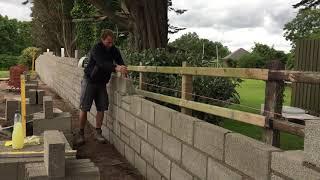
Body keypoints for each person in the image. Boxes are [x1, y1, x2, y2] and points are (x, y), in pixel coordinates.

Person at [77, 29, 128, 145]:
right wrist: (116, 68)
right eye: (108, 42)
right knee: (84, 107)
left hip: (102, 83)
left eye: (112, 42)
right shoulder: (96, 48)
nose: (110, 45)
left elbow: (120, 61)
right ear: (102, 39)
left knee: (102, 107)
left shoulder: (114, 50)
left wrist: (124, 69)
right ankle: (80, 133)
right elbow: (101, 63)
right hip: (89, 81)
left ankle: (98, 132)